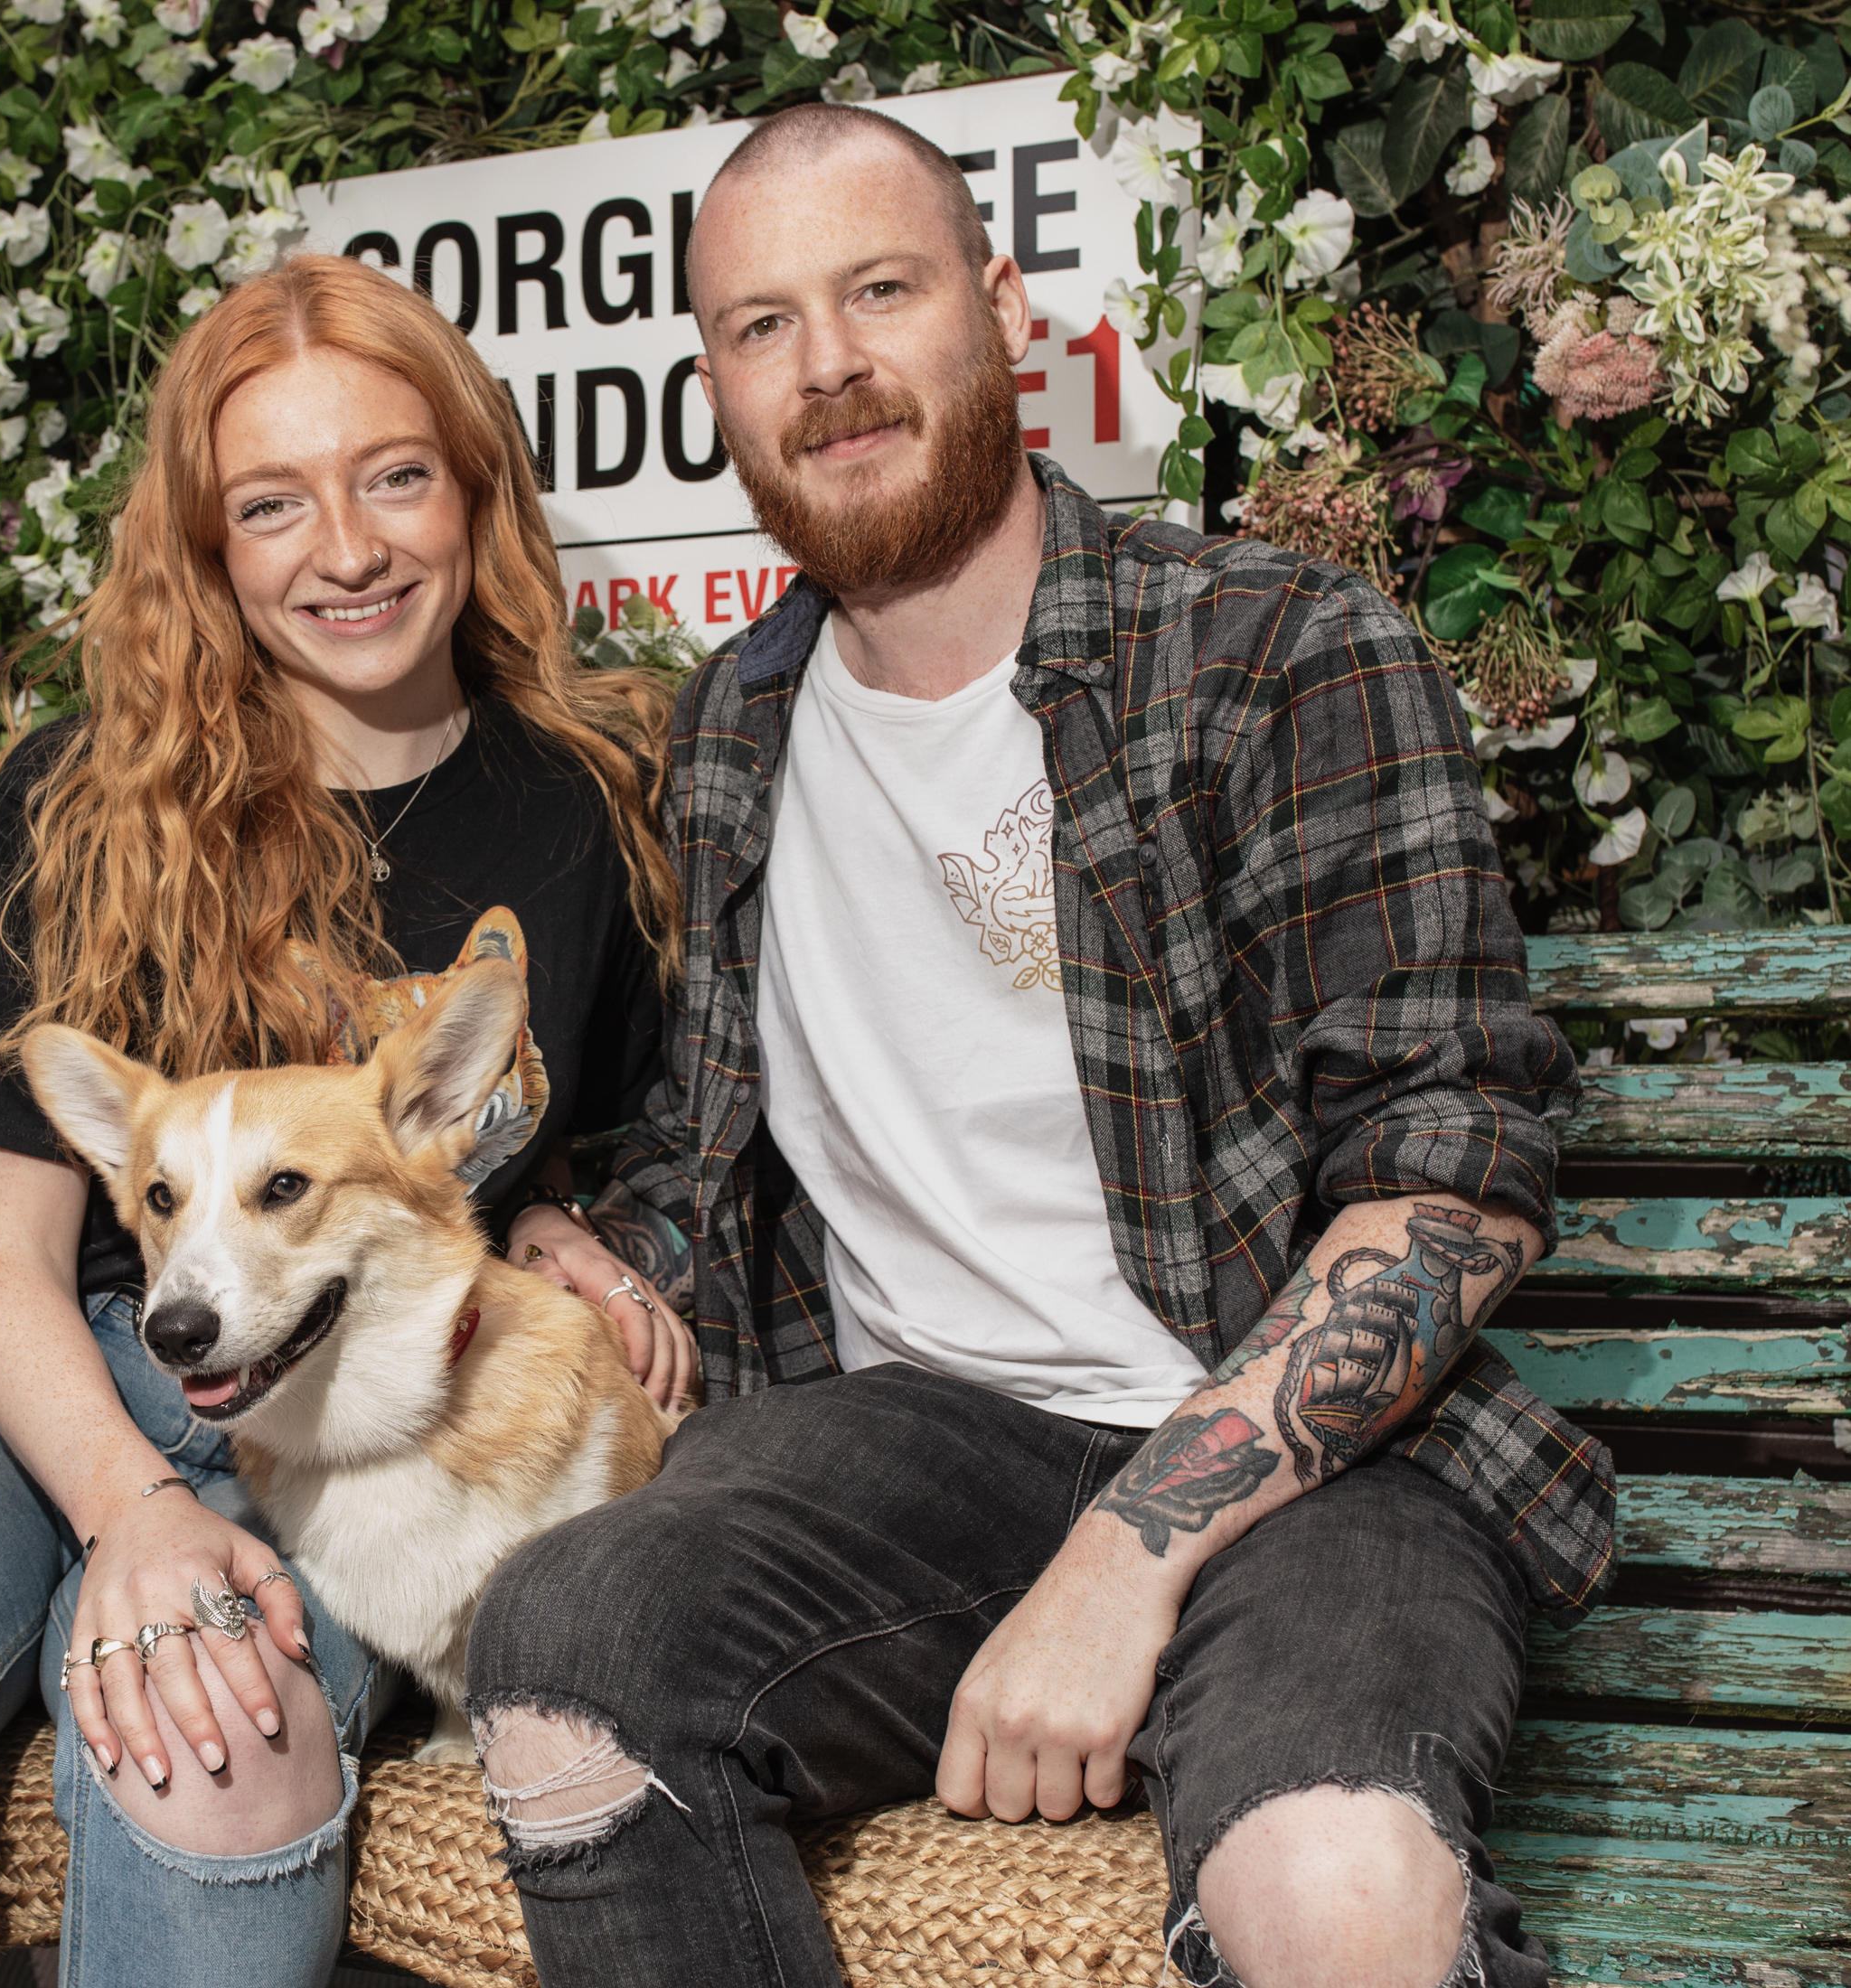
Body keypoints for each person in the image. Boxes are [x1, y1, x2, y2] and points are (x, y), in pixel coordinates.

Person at [471, 103, 1614, 1988]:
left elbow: (1449, 1187)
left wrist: (1124, 1557)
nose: (825, 366)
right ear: (714, 388)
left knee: (1335, 1891)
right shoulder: (727, 736)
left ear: (1000, 308)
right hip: (914, 1448)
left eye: (878, 291)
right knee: (567, 1654)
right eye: (762, 326)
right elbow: (710, 1154)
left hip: (1320, 1459)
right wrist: (600, 1252)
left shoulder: (1274, 649)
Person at [0, 254, 693, 1986]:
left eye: (393, 476)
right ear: (210, 546)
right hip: (15, 1368)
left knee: (213, 1765)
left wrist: (561, 1219)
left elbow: (602, 1130)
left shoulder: (588, 798)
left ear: (474, 487)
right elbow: (1, 1257)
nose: (348, 549)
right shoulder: (87, 797)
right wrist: (132, 1507)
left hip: (343, 1397)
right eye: (272, 504)